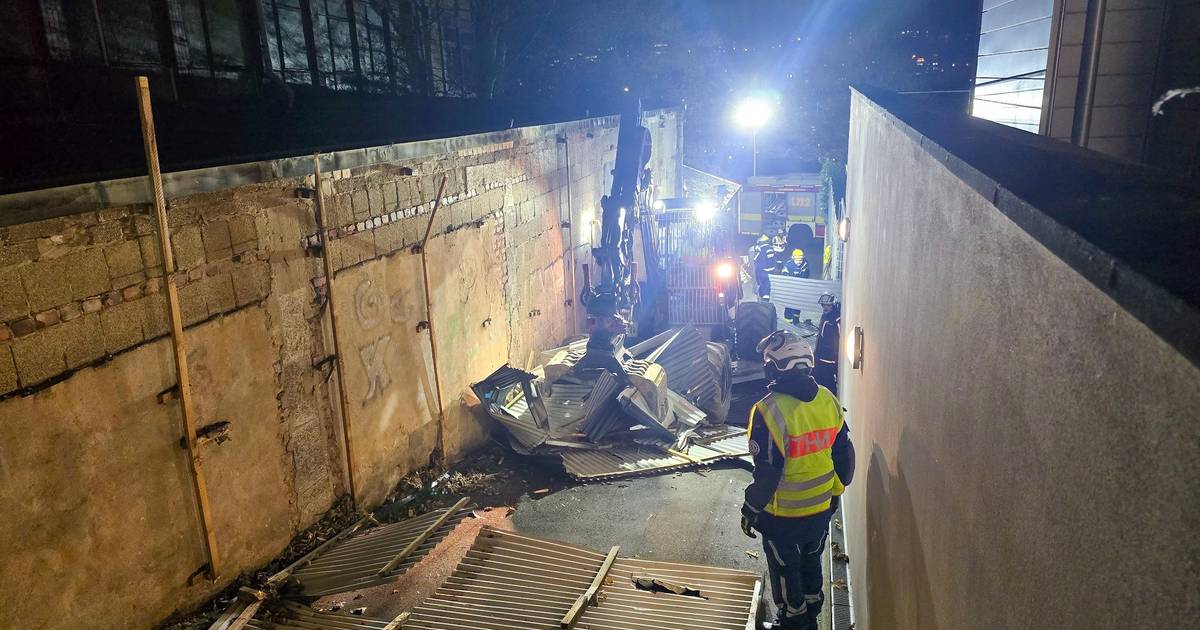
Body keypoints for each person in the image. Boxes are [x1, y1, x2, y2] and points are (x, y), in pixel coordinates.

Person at [741, 330, 854, 630]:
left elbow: (767, 473)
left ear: (774, 368)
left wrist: (750, 509)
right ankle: (811, 613)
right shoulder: (828, 400)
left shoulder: (767, 411)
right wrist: (835, 494)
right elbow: (844, 455)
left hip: (783, 517)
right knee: (811, 560)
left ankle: (792, 621)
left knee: (784, 568)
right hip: (821, 509)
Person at [813, 293, 841, 395]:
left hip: (829, 361)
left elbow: (840, 339)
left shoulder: (836, 319)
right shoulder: (825, 316)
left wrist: (835, 360)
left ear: (833, 305)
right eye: (823, 305)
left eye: (828, 305)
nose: (825, 307)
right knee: (815, 383)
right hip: (819, 358)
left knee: (828, 387)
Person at [753, 235, 783, 299]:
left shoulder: (760, 249)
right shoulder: (771, 249)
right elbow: (775, 259)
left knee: (764, 283)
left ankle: (764, 296)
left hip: (762, 271)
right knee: (767, 283)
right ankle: (765, 294)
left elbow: (755, 259)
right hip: (771, 270)